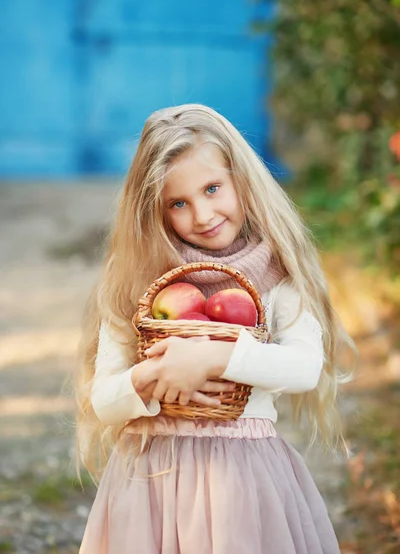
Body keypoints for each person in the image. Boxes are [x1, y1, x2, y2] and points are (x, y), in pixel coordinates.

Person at [76, 104, 355, 554]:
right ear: (155, 209)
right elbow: (105, 401)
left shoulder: (277, 277)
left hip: (242, 483)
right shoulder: (138, 279)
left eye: (212, 189)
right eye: (179, 203)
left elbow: (305, 367)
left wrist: (212, 356)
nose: (202, 215)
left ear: (241, 181)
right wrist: (152, 376)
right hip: (151, 483)